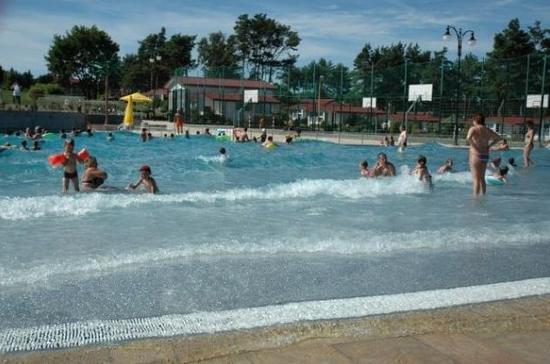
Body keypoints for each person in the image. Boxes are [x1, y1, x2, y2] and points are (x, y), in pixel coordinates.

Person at [466, 113, 503, 196]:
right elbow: (499, 138)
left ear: (475, 120)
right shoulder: (487, 130)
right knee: (482, 178)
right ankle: (483, 197)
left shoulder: (473, 129)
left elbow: (468, 138)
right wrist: (489, 145)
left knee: (476, 179)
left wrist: (474, 146)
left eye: (473, 120)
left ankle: (475, 199)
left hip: (475, 154)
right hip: (485, 155)